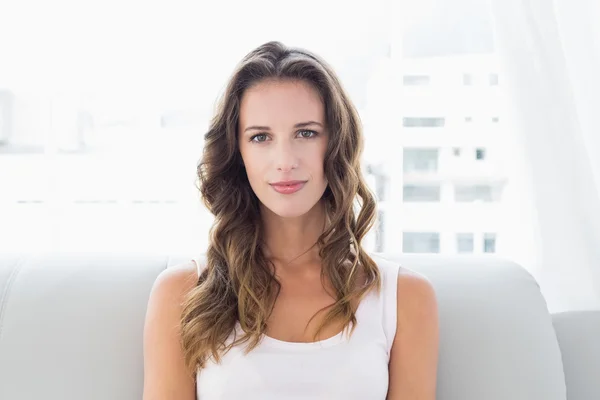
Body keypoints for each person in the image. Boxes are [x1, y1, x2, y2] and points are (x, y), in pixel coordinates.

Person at [143, 41, 439, 400]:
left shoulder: (404, 298)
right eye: (261, 137)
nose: (285, 160)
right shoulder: (183, 292)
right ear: (238, 153)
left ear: (336, 144)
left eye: (306, 133)